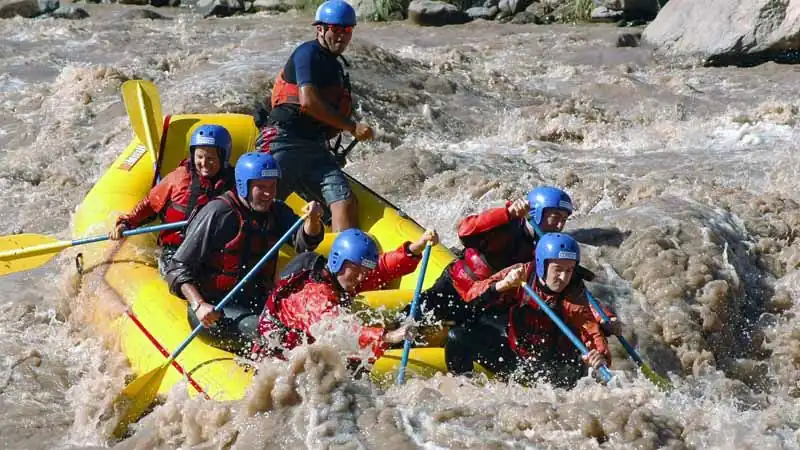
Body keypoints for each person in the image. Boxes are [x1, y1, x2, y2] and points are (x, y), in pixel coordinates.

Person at [164, 151, 325, 354]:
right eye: (261, 187)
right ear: (244, 185)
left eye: (272, 186)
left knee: (307, 324)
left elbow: (305, 244)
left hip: (255, 300)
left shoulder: (277, 211)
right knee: (273, 334)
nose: (268, 193)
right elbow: (177, 267)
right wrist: (199, 304)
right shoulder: (219, 213)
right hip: (214, 310)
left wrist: (313, 220)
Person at [256, 0, 374, 232]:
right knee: (263, 200)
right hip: (284, 139)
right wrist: (352, 127)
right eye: (336, 29)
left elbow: (329, 113)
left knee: (345, 201)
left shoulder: (336, 67)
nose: (341, 36)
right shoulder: (307, 54)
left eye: (347, 30)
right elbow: (308, 102)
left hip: (314, 147)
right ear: (320, 29)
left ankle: (343, 264)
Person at [444, 233, 612, 389]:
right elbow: (473, 295)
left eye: (568, 270)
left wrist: (600, 356)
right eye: (558, 269)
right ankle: (465, 390)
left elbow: (589, 329)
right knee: (457, 337)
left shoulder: (573, 294)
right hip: (517, 352)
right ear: (541, 265)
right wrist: (502, 285)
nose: (563, 278)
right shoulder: (522, 273)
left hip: (553, 367)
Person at [250, 228, 439, 362]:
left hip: (305, 346)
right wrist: (388, 337)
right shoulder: (313, 294)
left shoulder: (343, 276)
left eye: (365, 270)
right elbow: (335, 330)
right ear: (338, 260)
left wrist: (416, 248)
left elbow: (381, 269)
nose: (361, 276)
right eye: (357, 269)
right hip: (275, 357)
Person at [414, 186, 575, 325]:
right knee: (411, 318)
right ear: (537, 212)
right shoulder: (506, 224)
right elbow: (465, 231)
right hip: (457, 286)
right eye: (555, 217)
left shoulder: (547, 247)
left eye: (565, 219)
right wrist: (508, 214)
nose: (560, 225)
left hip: (490, 299)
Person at [110, 124, 234, 273]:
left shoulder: (233, 183)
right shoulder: (179, 178)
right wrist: (126, 223)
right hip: (176, 252)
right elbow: (149, 205)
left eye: (211, 158)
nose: (204, 163)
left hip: (214, 253)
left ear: (224, 157)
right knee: (180, 277)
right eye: (199, 157)